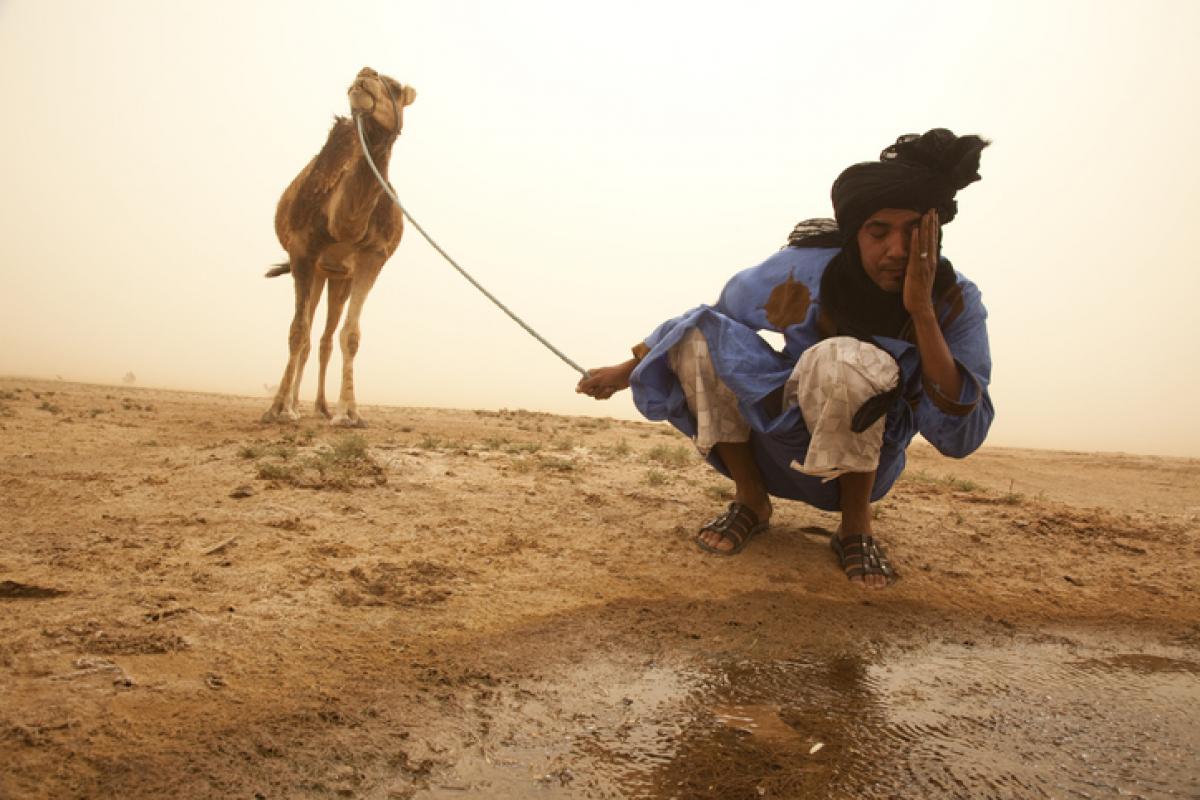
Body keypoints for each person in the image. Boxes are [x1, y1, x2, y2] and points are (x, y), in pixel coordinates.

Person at [576, 128, 993, 589]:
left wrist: (922, 312)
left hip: (868, 459)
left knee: (849, 359)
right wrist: (625, 370)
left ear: (934, 233)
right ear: (855, 235)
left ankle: (856, 525)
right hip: (778, 436)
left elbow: (960, 435)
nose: (896, 250)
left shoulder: (955, 300)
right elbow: (709, 321)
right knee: (698, 337)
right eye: (879, 232)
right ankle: (751, 500)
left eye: (913, 232)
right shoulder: (803, 272)